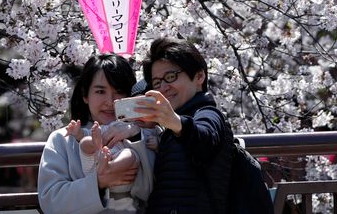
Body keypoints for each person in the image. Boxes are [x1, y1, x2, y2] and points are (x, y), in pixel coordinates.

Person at [38, 54, 155, 214]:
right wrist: (99, 182)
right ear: (85, 95)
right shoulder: (63, 139)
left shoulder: (144, 133)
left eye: (119, 92)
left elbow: (156, 191)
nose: (110, 101)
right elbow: (52, 201)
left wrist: (136, 136)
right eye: (100, 91)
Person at [133, 37, 234, 214]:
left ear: (199, 76)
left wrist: (176, 123)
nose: (164, 87)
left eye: (170, 77)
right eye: (157, 82)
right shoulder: (172, 127)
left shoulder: (208, 114)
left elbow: (205, 138)